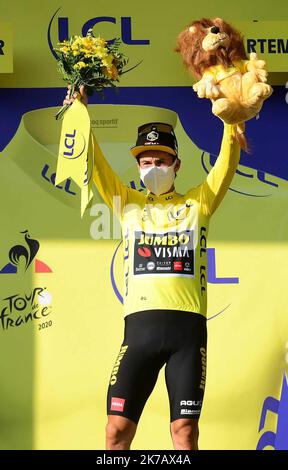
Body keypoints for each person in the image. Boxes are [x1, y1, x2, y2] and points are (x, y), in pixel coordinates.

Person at [63, 85, 241, 450]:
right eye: (146, 162)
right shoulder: (125, 202)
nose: (153, 168)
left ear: (176, 163)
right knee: (115, 432)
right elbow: (94, 164)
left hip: (187, 333)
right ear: (138, 166)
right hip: (140, 329)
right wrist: (80, 117)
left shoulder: (199, 201)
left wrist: (230, 122)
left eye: (161, 161)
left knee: (185, 434)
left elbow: (226, 164)